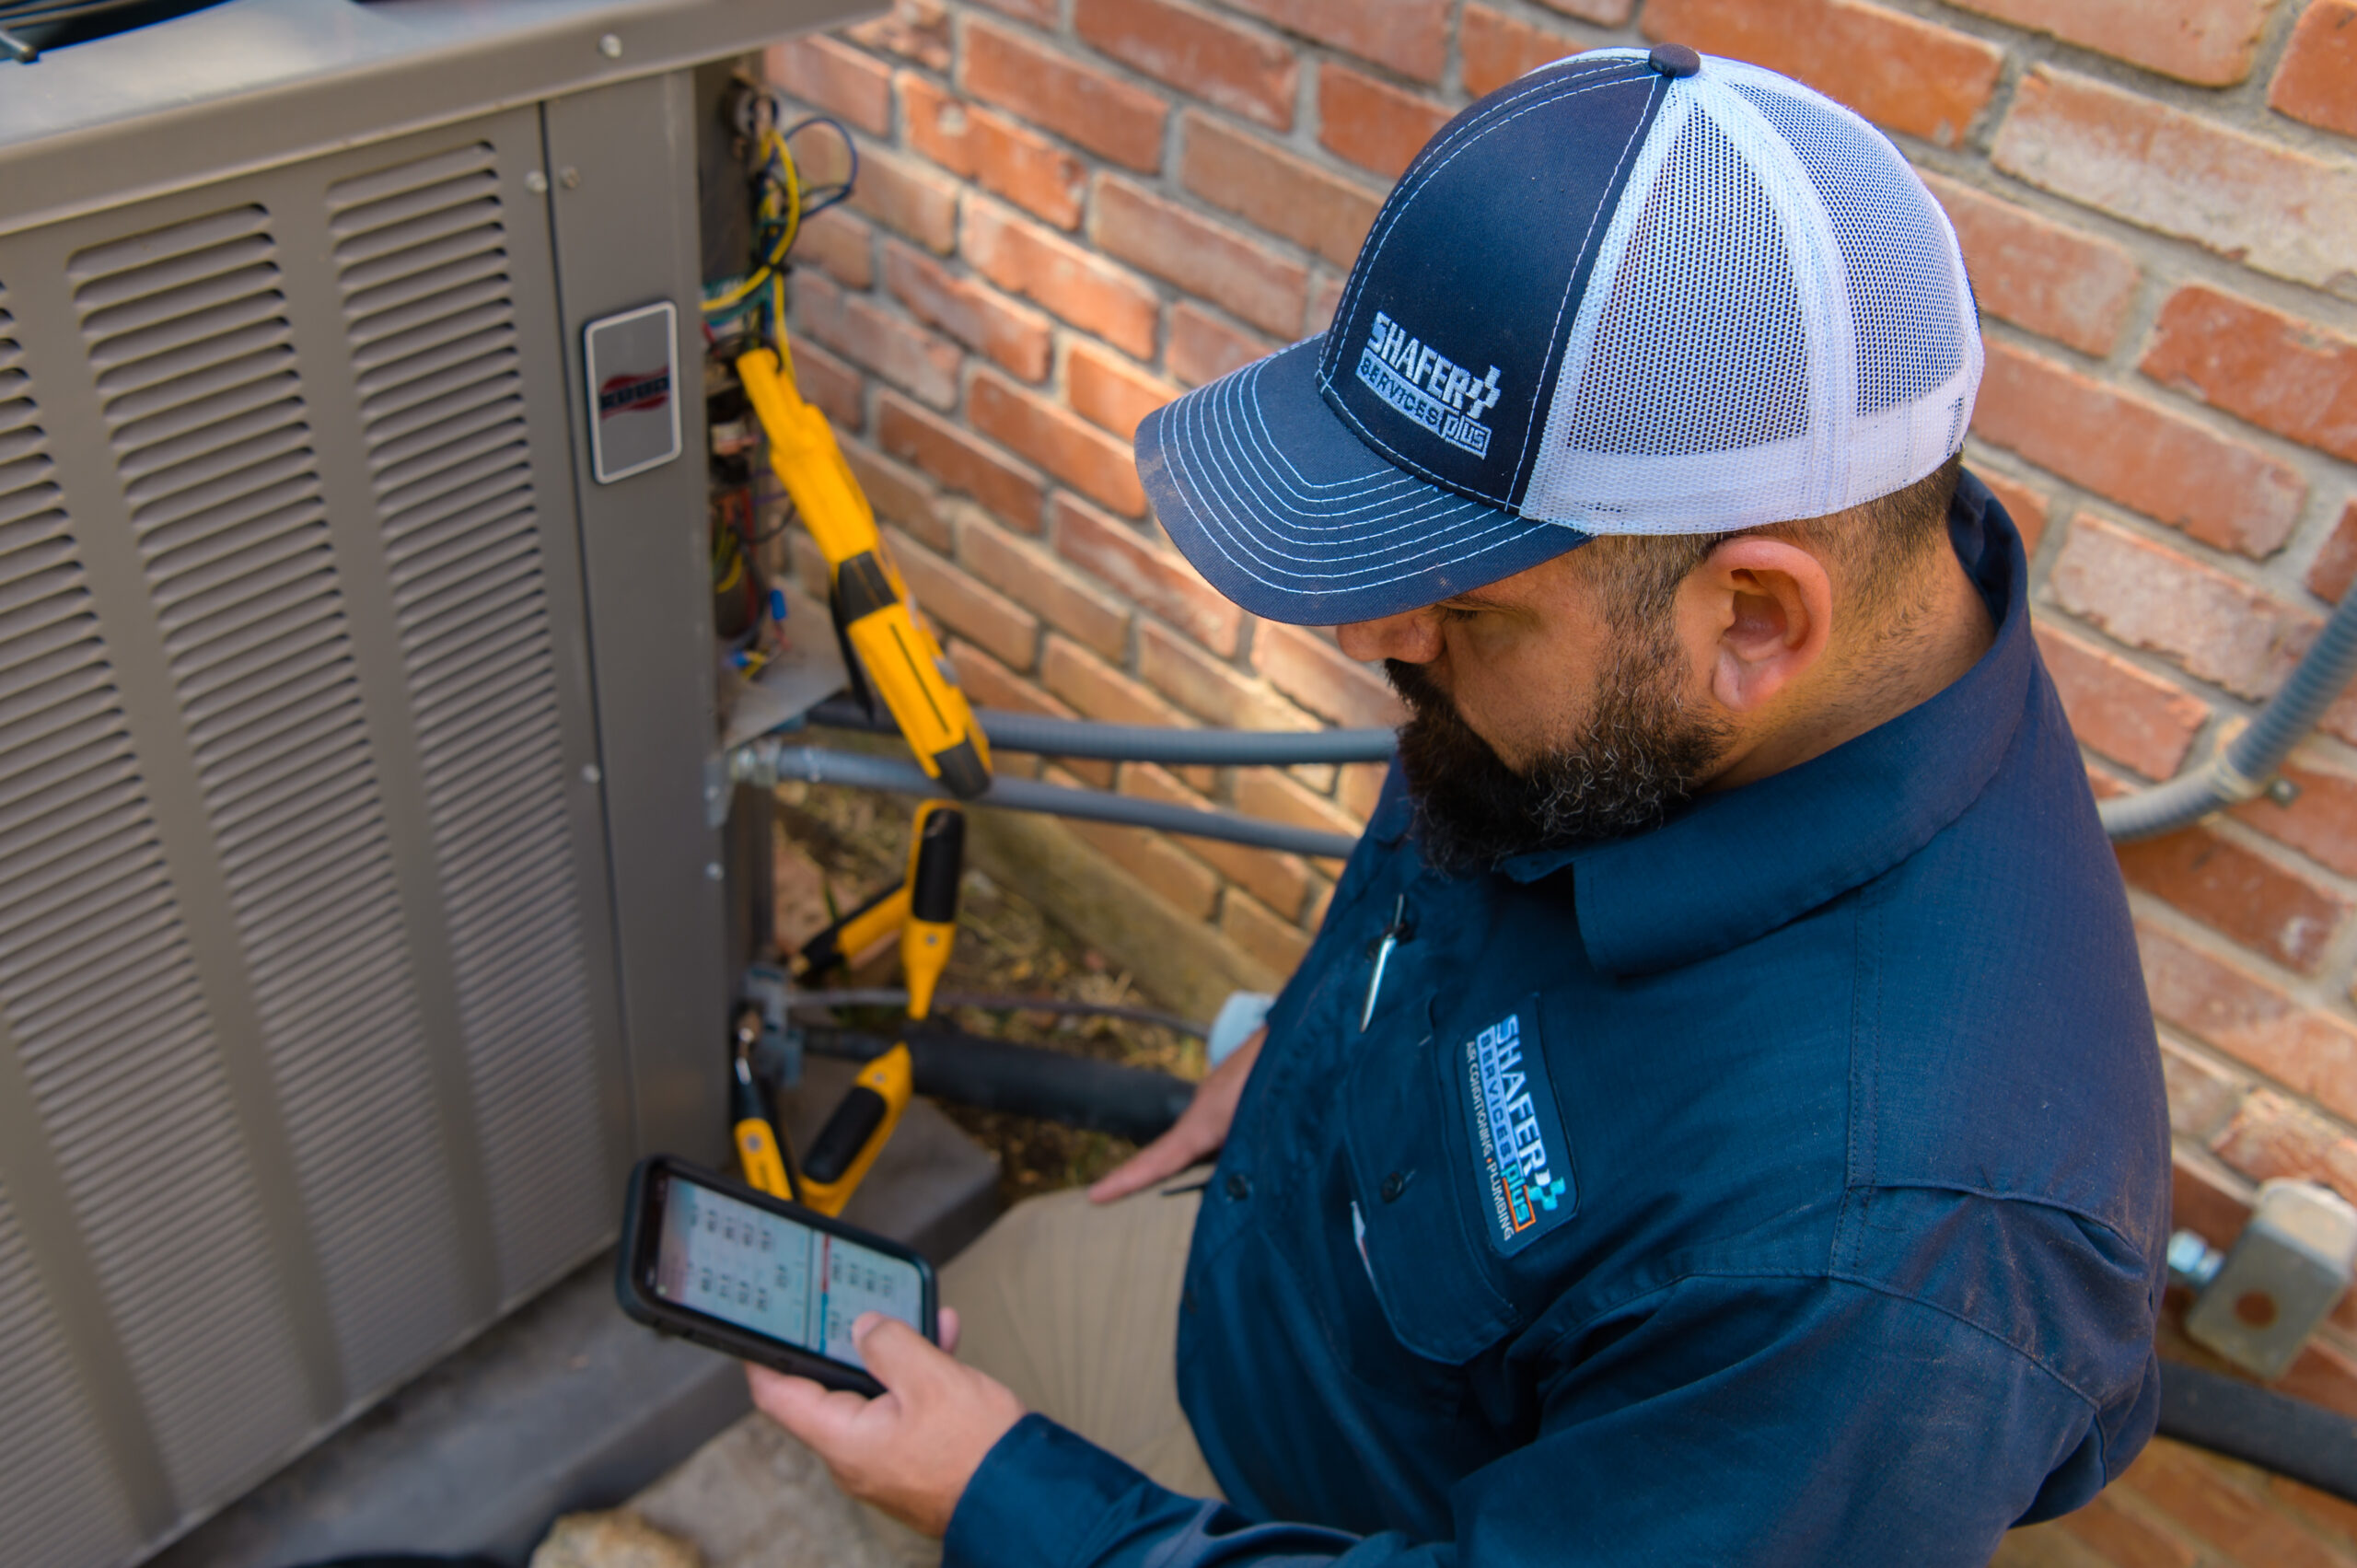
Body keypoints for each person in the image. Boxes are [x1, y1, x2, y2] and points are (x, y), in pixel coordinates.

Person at [750, 44, 2171, 1566]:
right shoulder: (1678, 679)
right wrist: (1306, 1051)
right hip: (1248, 1283)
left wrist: (1005, 1504)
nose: (1375, 635)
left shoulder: (1882, 1266)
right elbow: (1455, 853)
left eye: (1461, 602)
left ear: (1756, 617)